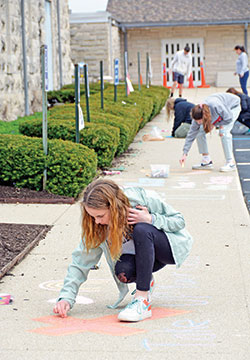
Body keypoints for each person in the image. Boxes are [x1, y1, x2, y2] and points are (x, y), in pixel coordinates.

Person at [53, 179, 193, 322]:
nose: (96, 221)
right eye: (92, 216)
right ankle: (146, 281)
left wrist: (150, 218)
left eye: (100, 216)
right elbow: (81, 262)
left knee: (141, 229)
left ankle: (142, 300)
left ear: (114, 207)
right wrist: (66, 298)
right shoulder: (97, 227)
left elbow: (179, 220)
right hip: (142, 258)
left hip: (166, 249)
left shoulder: (139, 200)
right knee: (123, 271)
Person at [179, 92, 241, 172]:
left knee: (223, 132)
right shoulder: (197, 116)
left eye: (200, 121)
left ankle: (230, 162)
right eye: (196, 121)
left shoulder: (215, 105)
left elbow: (228, 118)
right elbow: (191, 134)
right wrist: (185, 153)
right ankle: (206, 160)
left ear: (204, 116)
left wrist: (216, 124)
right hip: (219, 113)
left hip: (233, 107)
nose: (198, 123)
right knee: (199, 131)